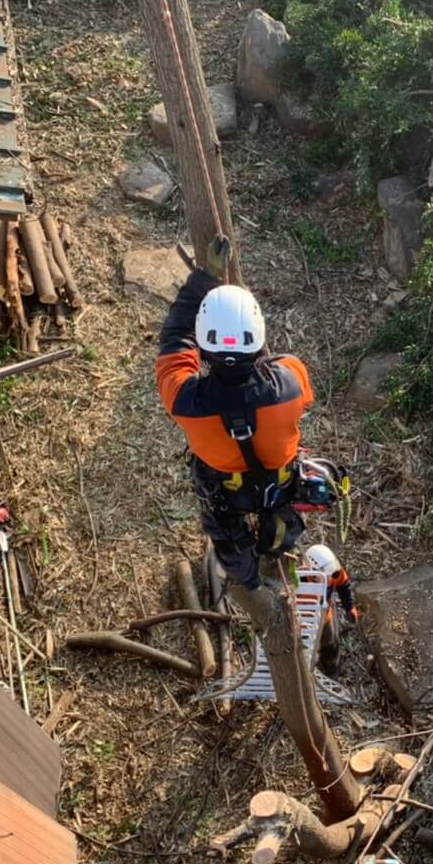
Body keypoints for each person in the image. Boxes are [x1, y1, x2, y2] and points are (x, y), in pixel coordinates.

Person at [155, 236, 311, 628]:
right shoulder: (290, 382)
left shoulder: (184, 400)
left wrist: (205, 278)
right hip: (279, 483)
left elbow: (175, 339)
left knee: (228, 537)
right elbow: (279, 365)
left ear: (204, 347)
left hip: (224, 491)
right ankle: (278, 547)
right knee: (282, 519)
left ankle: (247, 579)